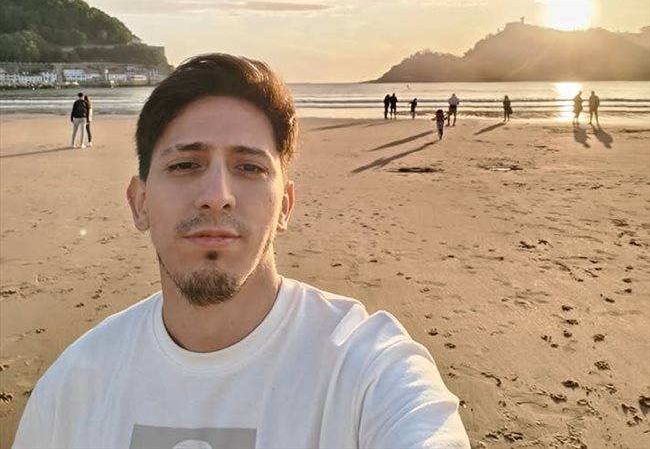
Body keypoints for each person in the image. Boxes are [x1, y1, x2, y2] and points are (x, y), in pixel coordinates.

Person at [14, 54, 470, 449]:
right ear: (140, 202)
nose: (217, 195)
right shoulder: (73, 386)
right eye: (185, 164)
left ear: (285, 206)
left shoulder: (366, 368)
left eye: (249, 167)